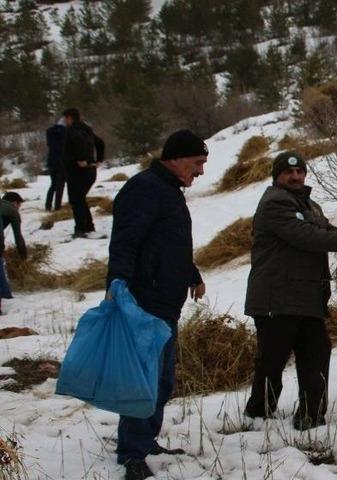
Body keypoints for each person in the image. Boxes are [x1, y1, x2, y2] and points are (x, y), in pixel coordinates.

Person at [106, 129, 208, 480]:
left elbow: (169, 243)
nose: (201, 171)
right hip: (144, 303)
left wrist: (192, 275)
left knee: (162, 381)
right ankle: (132, 453)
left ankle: (145, 440)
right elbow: (125, 241)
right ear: (175, 159)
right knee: (144, 381)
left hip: (166, 304)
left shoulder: (168, 190)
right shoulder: (144, 189)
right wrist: (117, 281)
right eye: (197, 163)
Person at [244, 152, 337, 429]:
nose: (295, 176)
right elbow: (305, 236)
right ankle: (258, 414)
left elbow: (328, 230)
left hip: (307, 298)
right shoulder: (274, 203)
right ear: (277, 176)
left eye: (300, 171)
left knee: (317, 353)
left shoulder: (311, 206)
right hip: (276, 298)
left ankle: (311, 417)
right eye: (289, 172)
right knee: (272, 359)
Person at [61, 108, 105, 239]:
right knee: (80, 199)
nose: (64, 121)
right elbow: (100, 143)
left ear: (69, 118)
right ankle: (88, 226)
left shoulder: (72, 130)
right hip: (90, 170)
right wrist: (99, 159)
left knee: (76, 200)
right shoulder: (87, 129)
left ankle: (81, 228)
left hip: (77, 171)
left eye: (65, 118)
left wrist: (81, 159)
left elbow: (78, 141)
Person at [0, 192, 28, 315]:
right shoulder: (12, 210)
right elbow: (18, 237)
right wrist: (23, 256)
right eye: (19, 205)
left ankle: (6, 294)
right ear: (15, 203)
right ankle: (6, 294)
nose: (18, 208)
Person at [45, 118, 66, 211]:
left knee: (53, 184)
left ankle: (48, 205)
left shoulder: (50, 132)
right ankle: (57, 206)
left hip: (51, 161)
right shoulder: (65, 132)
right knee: (60, 185)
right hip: (61, 162)